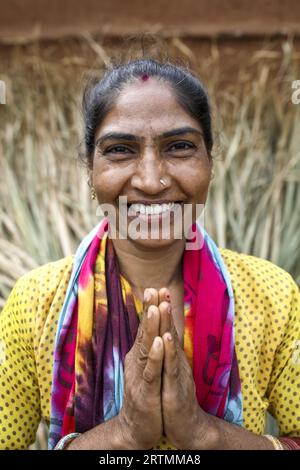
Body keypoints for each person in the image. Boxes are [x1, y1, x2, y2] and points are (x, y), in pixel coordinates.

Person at [0, 59, 299, 451]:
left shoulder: (269, 296)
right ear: (91, 171)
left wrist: (203, 433)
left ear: (210, 162)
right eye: (120, 150)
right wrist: (122, 434)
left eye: (179, 147)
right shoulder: (37, 305)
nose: (151, 180)